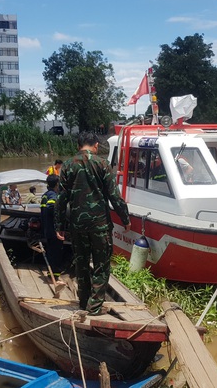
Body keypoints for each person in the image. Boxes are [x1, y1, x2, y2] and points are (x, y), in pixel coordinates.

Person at [55, 132, 131, 316]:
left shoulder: (67, 165)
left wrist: (59, 226)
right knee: (101, 265)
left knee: (81, 264)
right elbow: (114, 195)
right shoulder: (102, 164)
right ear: (95, 145)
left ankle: (83, 303)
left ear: (78, 145)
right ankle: (95, 307)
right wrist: (125, 219)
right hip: (100, 224)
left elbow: (61, 198)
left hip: (77, 225)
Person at [40, 175, 68, 273]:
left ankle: (51, 272)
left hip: (47, 228)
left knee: (51, 251)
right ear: (57, 184)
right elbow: (51, 207)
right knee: (57, 252)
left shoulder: (45, 195)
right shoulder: (53, 195)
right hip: (53, 229)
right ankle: (55, 275)